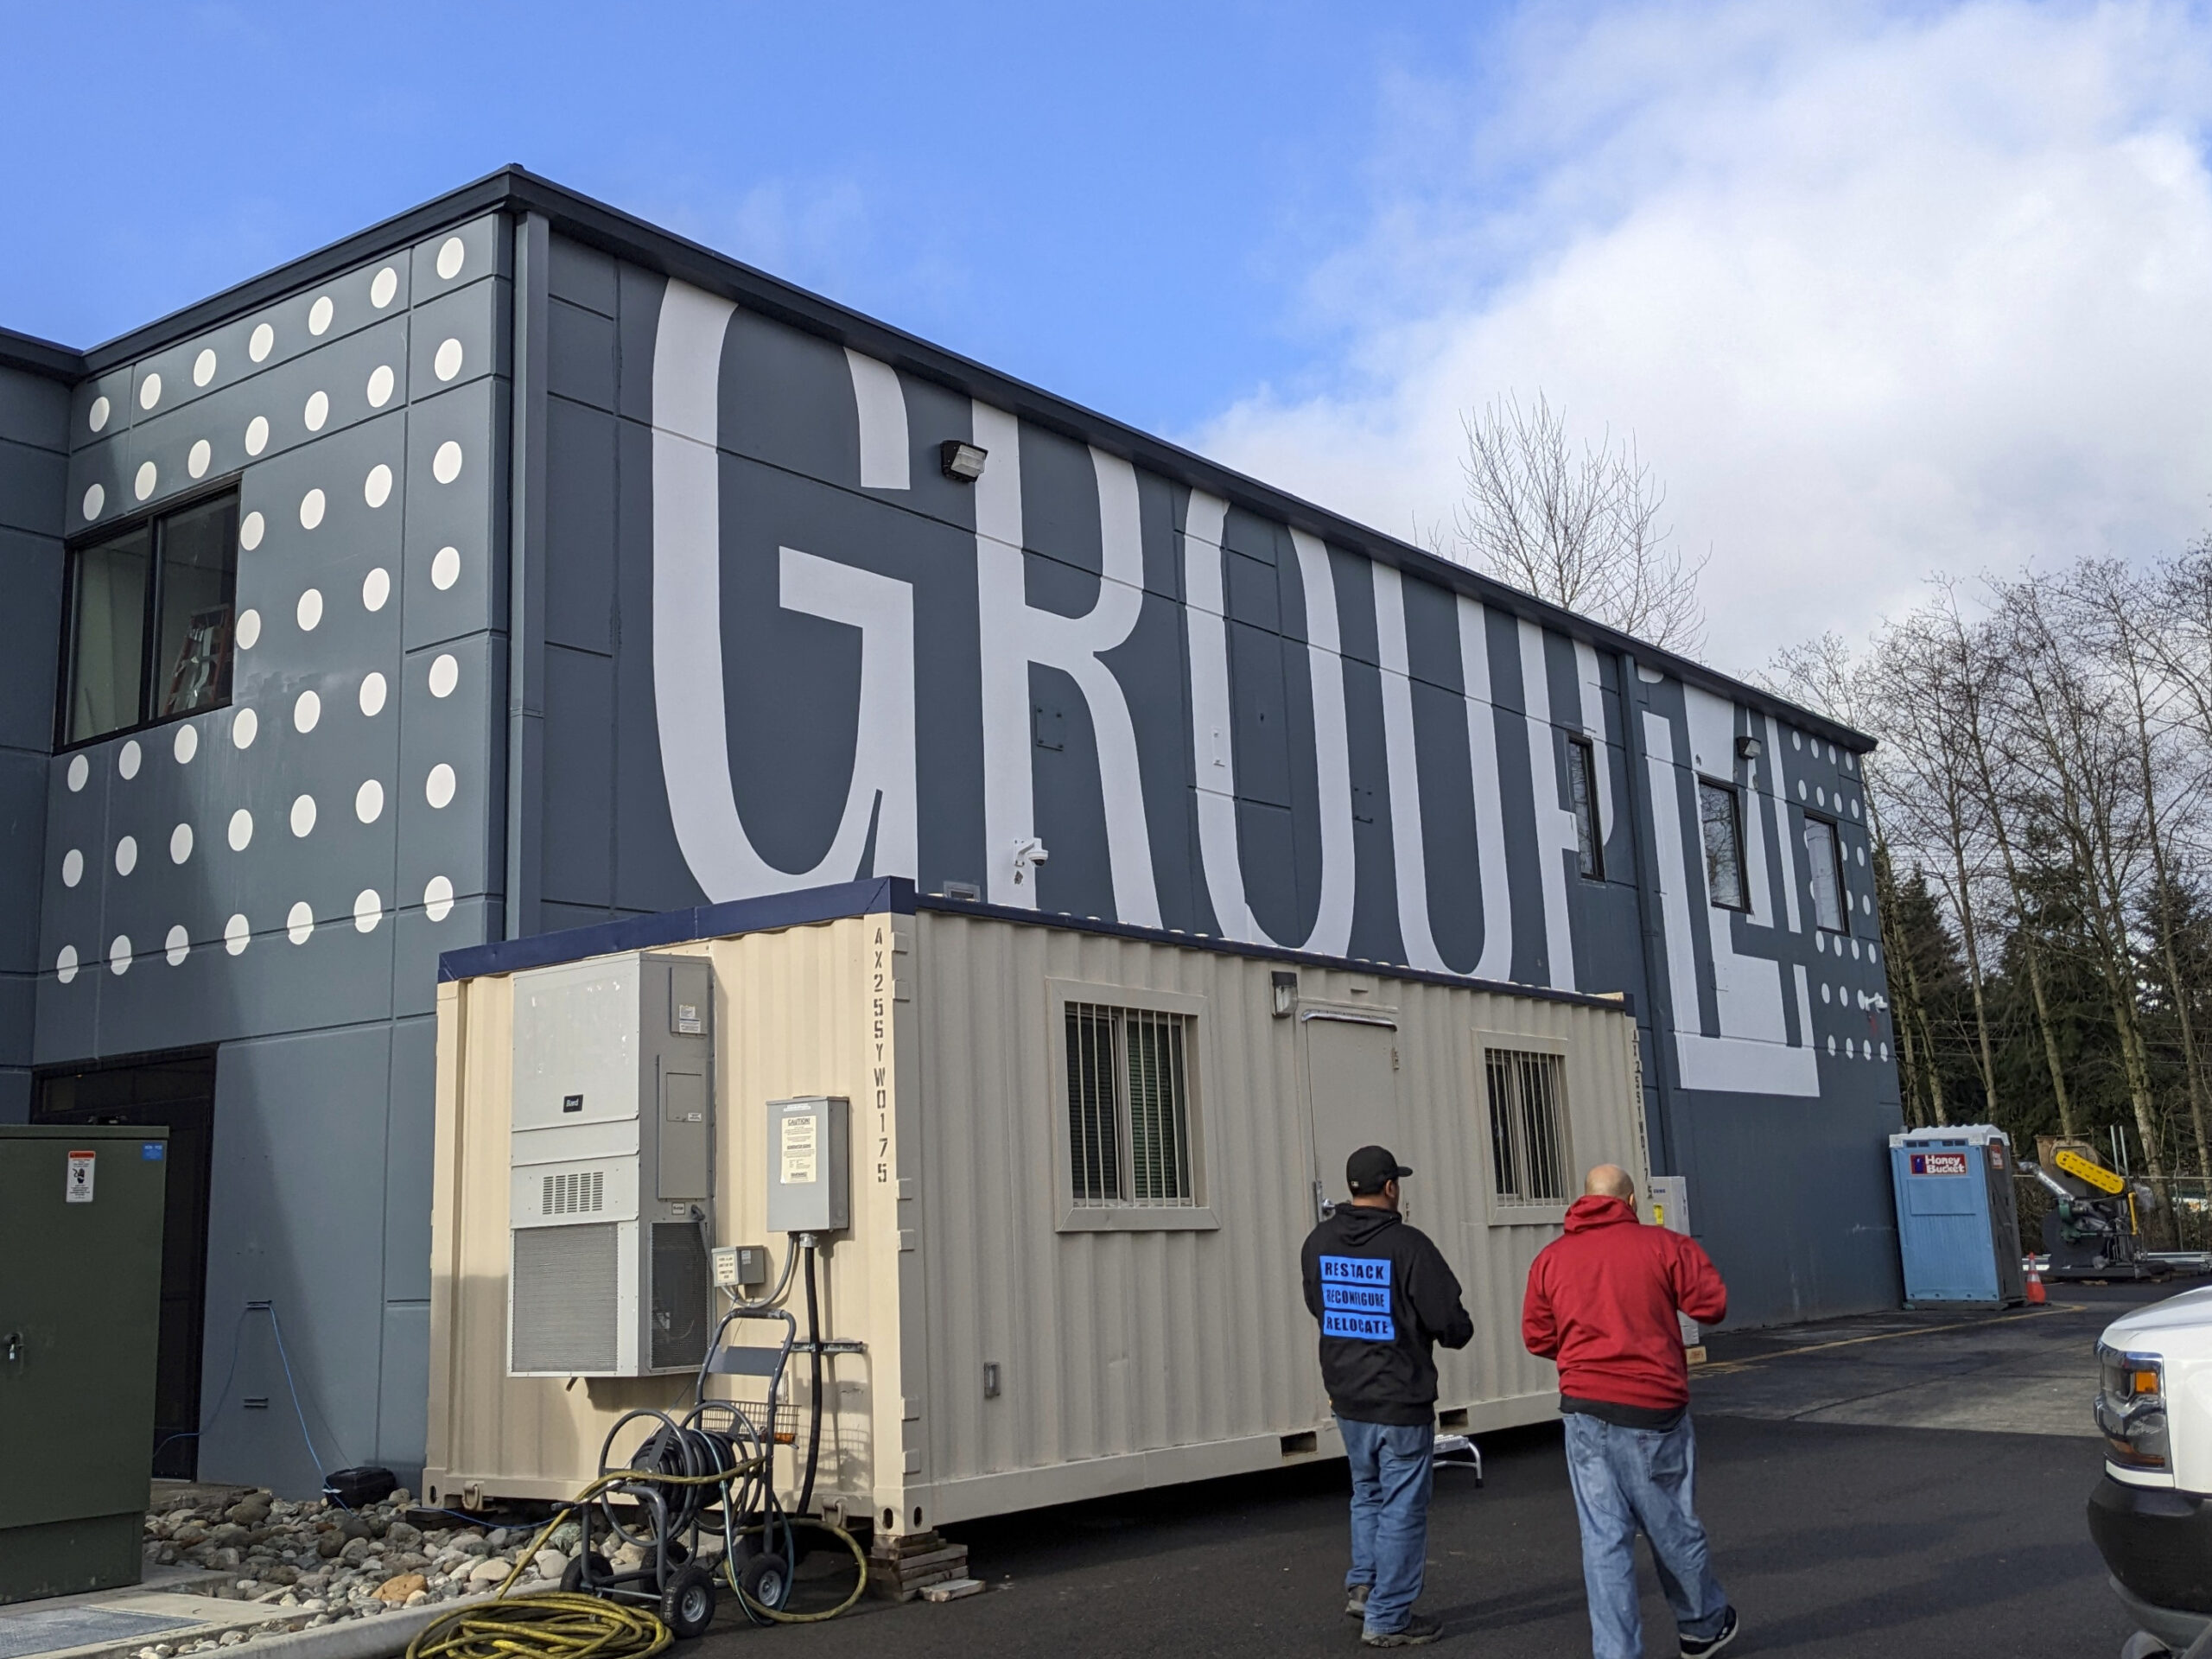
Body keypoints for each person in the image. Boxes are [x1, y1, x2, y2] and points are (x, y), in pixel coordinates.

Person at [1522, 1164, 1738, 1659]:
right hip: (1653, 1409)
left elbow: (1537, 1336)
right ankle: (1702, 1625)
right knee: (1671, 1526)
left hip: (1583, 1411)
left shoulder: (1551, 1259)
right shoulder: (1664, 1247)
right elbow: (1712, 1305)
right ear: (1633, 1203)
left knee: (1604, 1540)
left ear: (1585, 1200)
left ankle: (1617, 1653)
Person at [1300, 1145, 1475, 1648]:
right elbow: (1450, 1324)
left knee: (1367, 1490)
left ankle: (1365, 1585)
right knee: (1402, 1504)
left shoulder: (1318, 1242)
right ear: (1391, 1187)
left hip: (1348, 1395)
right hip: (1401, 1398)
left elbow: (1319, 1304)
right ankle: (1389, 1617)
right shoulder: (1408, 1246)